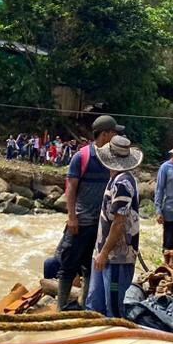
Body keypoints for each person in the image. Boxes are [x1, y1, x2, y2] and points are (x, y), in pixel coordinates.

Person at [57, 115, 122, 311]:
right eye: (114, 132)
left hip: (101, 224)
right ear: (104, 134)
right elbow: (71, 188)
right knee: (68, 264)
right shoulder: (83, 157)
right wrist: (72, 217)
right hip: (81, 221)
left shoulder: (112, 159)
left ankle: (85, 304)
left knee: (91, 266)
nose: (116, 135)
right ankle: (61, 306)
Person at [87, 135, 143, 318]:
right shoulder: (116, 179)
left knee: (114, 307)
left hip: (117, 256)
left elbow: (119, 223)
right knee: (95, 303)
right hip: (105, 252)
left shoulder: (123, 183)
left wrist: (104, 252)